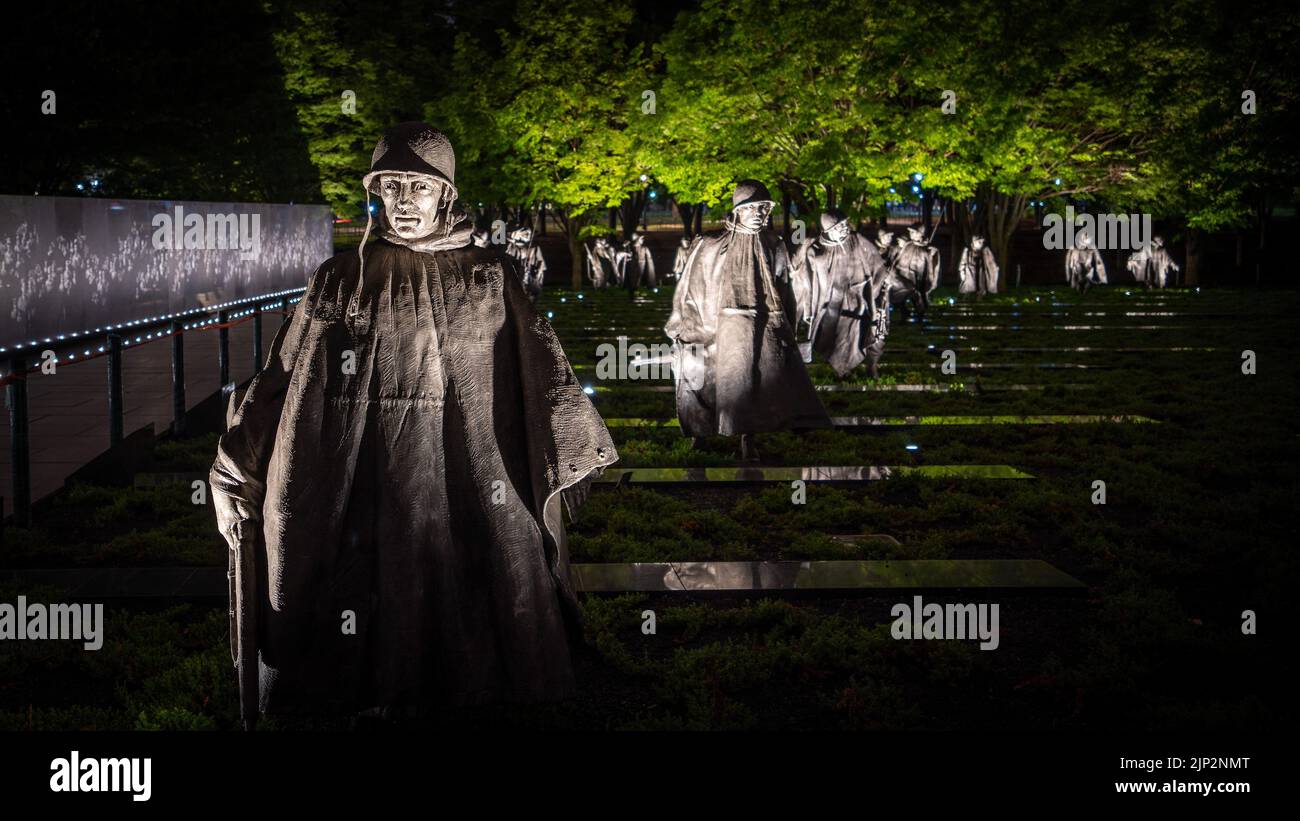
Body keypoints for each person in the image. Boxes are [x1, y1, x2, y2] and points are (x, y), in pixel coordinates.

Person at [210, 122, 617, 729]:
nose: (403, 201)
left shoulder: (490, 276)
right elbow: (284, 375)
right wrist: (234, 464)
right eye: (391, 186)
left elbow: (539, 370)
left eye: (418, 188)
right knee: (365, 590)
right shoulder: (340, 278)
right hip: (362, 475)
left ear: (445, 195)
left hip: (472, 477)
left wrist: (567, 442)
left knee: (476, 583)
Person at [664, 180, 830, 460]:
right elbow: (688, 285)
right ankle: (700, 434)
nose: (760, 213)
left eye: (764, 208)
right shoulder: (709, 244)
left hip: (759, 326)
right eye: (753, 207)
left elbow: (785, 287)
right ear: (738, 210)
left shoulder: (774, 245)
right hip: (713, 324)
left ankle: (747, 438)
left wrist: (790, 324)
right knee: (702, 378)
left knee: (750, 381)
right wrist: (680, 320)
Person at [791, 208, 891, 378]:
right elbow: (804, 278)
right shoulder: (815, 249)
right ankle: (843, 370)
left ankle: (871, 365)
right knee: (836, 338)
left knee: (868, 331)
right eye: (840, 225)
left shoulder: (857, 240)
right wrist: (807, 307)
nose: (845, 227)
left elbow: (876, 262)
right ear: (828, 230)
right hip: (829, 303)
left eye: (845, 223)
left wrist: (883, 280)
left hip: (860, 298)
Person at [894, 224, 939, 314]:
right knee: (901, 297)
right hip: (904, 276)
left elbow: (929, 267)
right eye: (910, 232)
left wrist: (932, 254)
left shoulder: (926, 249)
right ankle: (904, 314)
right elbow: (899, 258)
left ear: (920, 234)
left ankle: (921, 314)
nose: (911, 234)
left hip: (918, 278)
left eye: (913, 232)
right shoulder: (908, 245)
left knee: (918, 298)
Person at [506, 225, 547, 302]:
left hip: (530, 280)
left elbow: (541, 264)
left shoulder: (534, 248)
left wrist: (537, 273)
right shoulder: (511, 247)